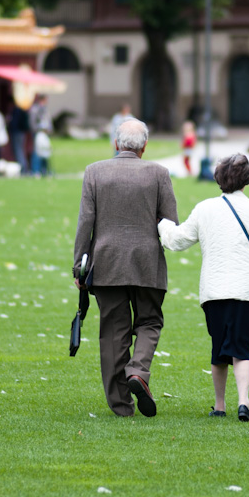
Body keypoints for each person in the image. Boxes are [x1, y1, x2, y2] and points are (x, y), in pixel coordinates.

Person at [158, 154, 249, 422]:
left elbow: (177, 241)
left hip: (214, 289)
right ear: (247, 180)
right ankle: (244, 401)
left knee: (219, 349)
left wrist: (164, 224)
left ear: (217, 178)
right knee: (242, 347)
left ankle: (220, 404)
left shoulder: (204, 209)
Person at [73, 118, 179, 417]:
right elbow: (170, 222)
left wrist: (79, 265)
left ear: (116, 144)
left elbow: (86, 222)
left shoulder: (95, 172)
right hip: (147, 263)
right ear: (144, 146)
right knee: (149, 322)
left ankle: (121, 406)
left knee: (113, 332)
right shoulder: (159, 173)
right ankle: (138, 371)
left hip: (106, 263)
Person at [9, 103, 31, 174]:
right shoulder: (22, 110)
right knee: (20, 150)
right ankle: (23, 168)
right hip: (21, 133)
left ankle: (22, 169)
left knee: (18, 150)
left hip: (17, 132)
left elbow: (14, 123)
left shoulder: (17, 111)